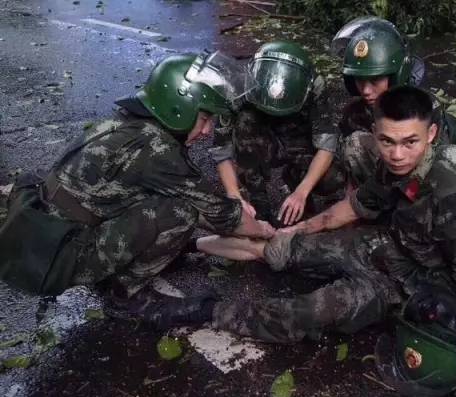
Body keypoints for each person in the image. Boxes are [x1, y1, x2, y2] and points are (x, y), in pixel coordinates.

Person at [148, 86, 456, 344]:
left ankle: (207, 311)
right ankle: (191, 244)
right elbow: (350, 208)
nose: (397, 154)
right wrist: (299, 229)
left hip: (403, 286)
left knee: (305, 314)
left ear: (432, 135)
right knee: (278, 248)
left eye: (409, 142)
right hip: (381, 245)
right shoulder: (390, 164)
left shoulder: (450, 193)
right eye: (387, 140)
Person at [0, 52, 274, 298]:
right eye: (204, 119)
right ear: (180, 108)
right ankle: (122, 292)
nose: (207, 131)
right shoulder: (158, 150)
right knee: (179, 213)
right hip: (54, 260)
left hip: (40, 237)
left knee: (172, 202)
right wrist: (262, 230)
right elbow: (222, 215)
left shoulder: (127, 123)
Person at [331, 17, 456, 187]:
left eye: (375, 81)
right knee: (353, 144)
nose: (366, 91)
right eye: (360, 81)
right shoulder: (355, 112)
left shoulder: (423, 107)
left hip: (424, 182)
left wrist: (407, 200)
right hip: (385, 178)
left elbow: (428, 163)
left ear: (394, 77)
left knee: (452, 157)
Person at [211, 41, 344, 226]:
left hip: (298, 138)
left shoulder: (314, 84)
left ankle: (297, 181)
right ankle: (259, 200)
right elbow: (221, 149)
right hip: (259, 136)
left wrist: (302, 192)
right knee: (245, 120)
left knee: (334, 177)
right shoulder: (237, 86)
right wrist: (234, 195)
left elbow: (327, 144)